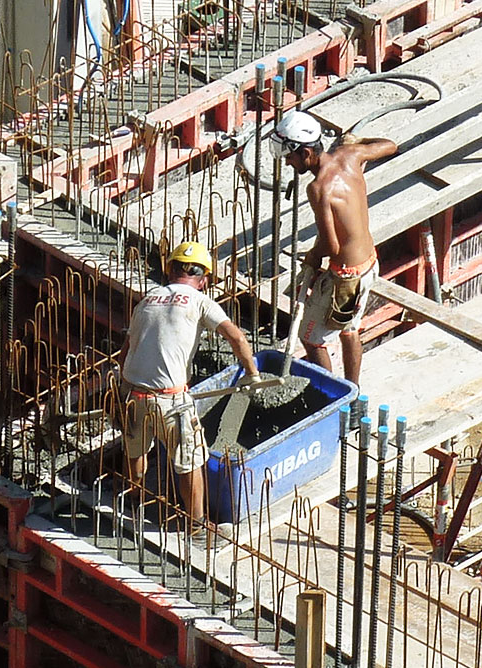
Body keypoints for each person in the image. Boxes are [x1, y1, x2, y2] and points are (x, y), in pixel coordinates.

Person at [114, 241, 262, 543]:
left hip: (133, 394)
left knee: (137, 449)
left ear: (170, 269)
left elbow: (125, 351)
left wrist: (123, 390)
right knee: (190, 459)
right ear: (204, 278)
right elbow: (236, 336)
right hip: (171, 399)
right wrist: (253, 374)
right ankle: (196, 526)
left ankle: (136, 503)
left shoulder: (147, 299)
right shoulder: (199, 301)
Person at [270, 110, 397, 386]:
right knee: (349, 329)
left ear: (305, 153)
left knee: (311, 337)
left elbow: (331, 243)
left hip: (346, 279)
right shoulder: (350, 155)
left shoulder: (318, 189)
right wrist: (358, 142)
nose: (289, 163)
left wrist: (312, 260)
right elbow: (390, 145)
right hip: (369, 264)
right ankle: (354, 390)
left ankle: (331, 391)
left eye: (290, 157)